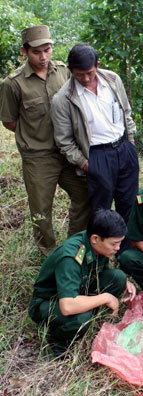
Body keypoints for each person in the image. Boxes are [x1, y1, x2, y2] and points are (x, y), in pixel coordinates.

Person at [0, 26, 90, 256]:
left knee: (84, 196)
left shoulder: (62, 72)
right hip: (38, 157)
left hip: (68, 151)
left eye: (47, 50)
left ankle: (74, 247)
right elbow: (10, 122)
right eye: (36, 52)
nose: (43, 57)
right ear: (24, 51)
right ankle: (49, 255)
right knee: (41, 212)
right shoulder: (13, 84)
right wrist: (34, 135)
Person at [51, 43, 139, 225]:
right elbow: (64, 141)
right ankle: (102, 252)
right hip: (97, 155)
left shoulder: (113, 80)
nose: (85, 78)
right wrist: (86, 165)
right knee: (101, 210)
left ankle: (126, 250)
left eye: (89, 73)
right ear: (70, 70)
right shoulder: (63, 99)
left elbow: (126, 112)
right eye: (79, 74)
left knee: (129, 203)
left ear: (97, 65)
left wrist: (131, 144)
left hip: (123, 147)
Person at [28, 209, 136, 357]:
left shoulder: (98, 247)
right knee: (81, 318)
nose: (117, 248)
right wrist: (105, 298)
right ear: (95, 239)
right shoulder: (71, 257)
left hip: (77, 289)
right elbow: (67, 306)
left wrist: (124, 284)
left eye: (120, 243)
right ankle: (58, 342)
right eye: (114, 244)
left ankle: (93, 314)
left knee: (118, 278)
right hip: (48, 302)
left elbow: (100, 272)